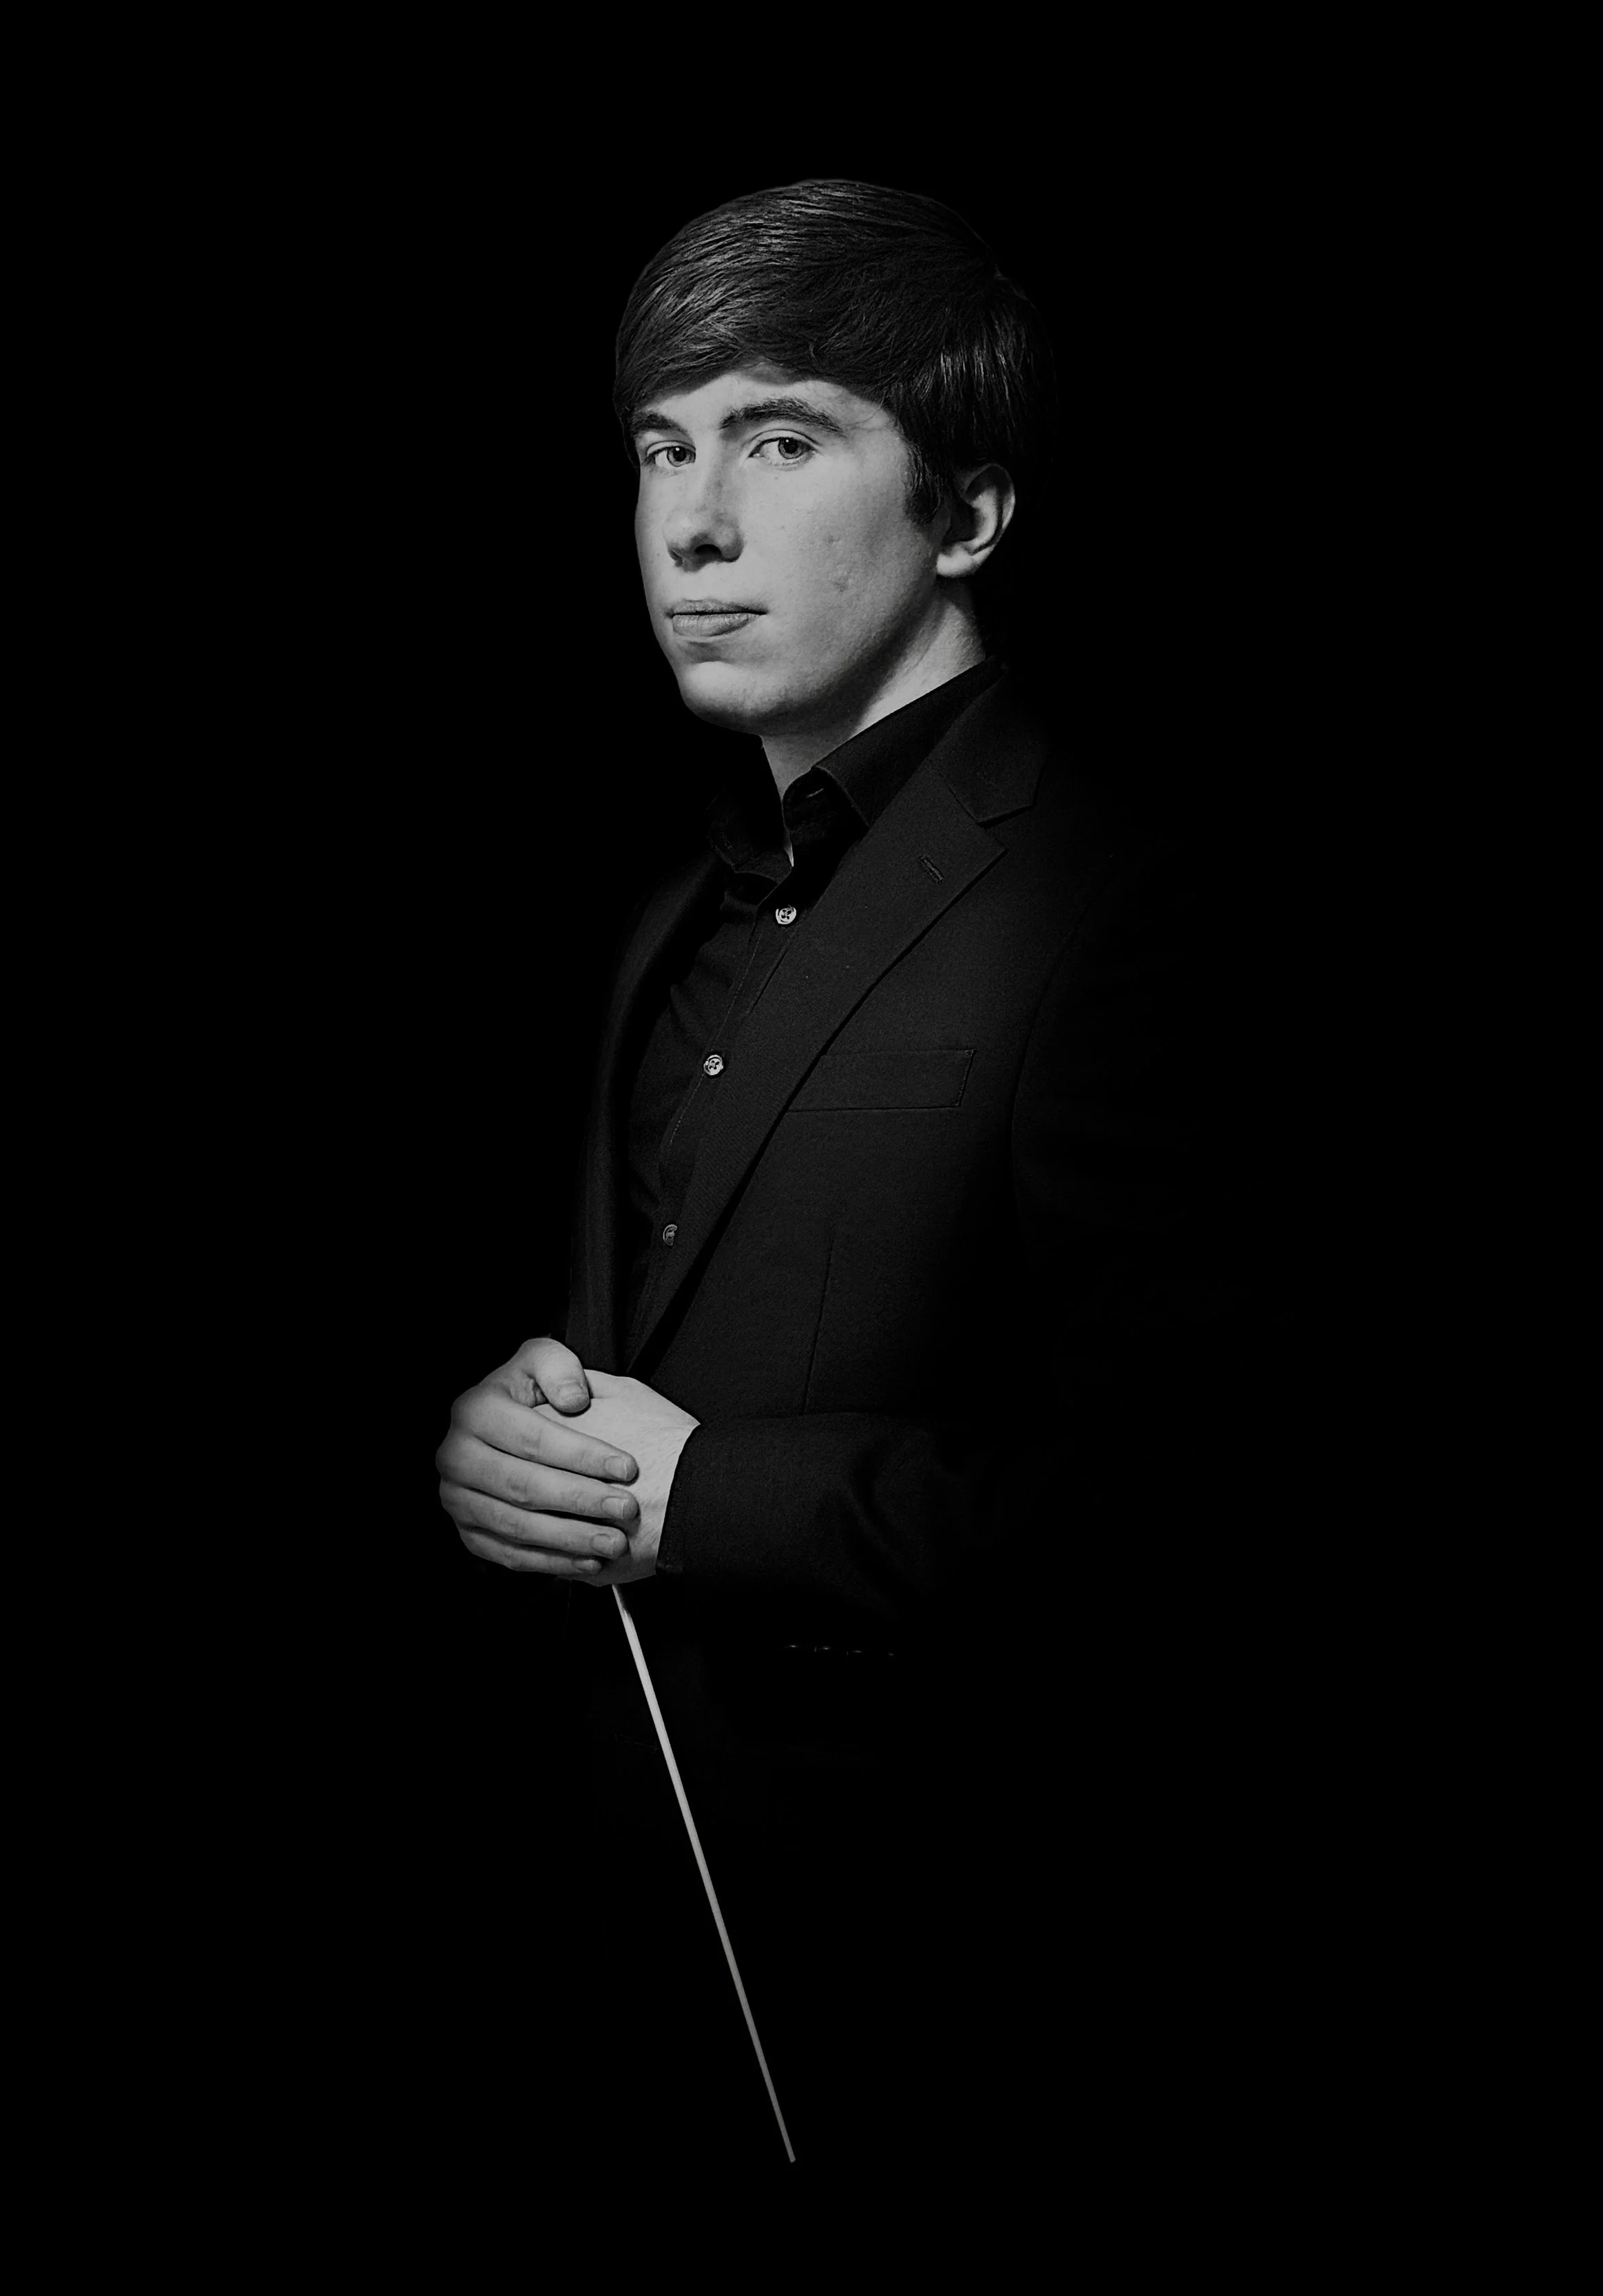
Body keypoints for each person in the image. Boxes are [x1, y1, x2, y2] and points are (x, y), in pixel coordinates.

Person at [433, 179, 1293, 2186]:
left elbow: (1222, 1508)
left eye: (780, 437)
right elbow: (660, 1348)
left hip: (994, 2025)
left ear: (969, 514)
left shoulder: (1132, 903)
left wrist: (691, 1493)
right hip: (659, 1996)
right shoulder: (671, 918)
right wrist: (523, 1445)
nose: (689, 522)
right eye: (660, 449)